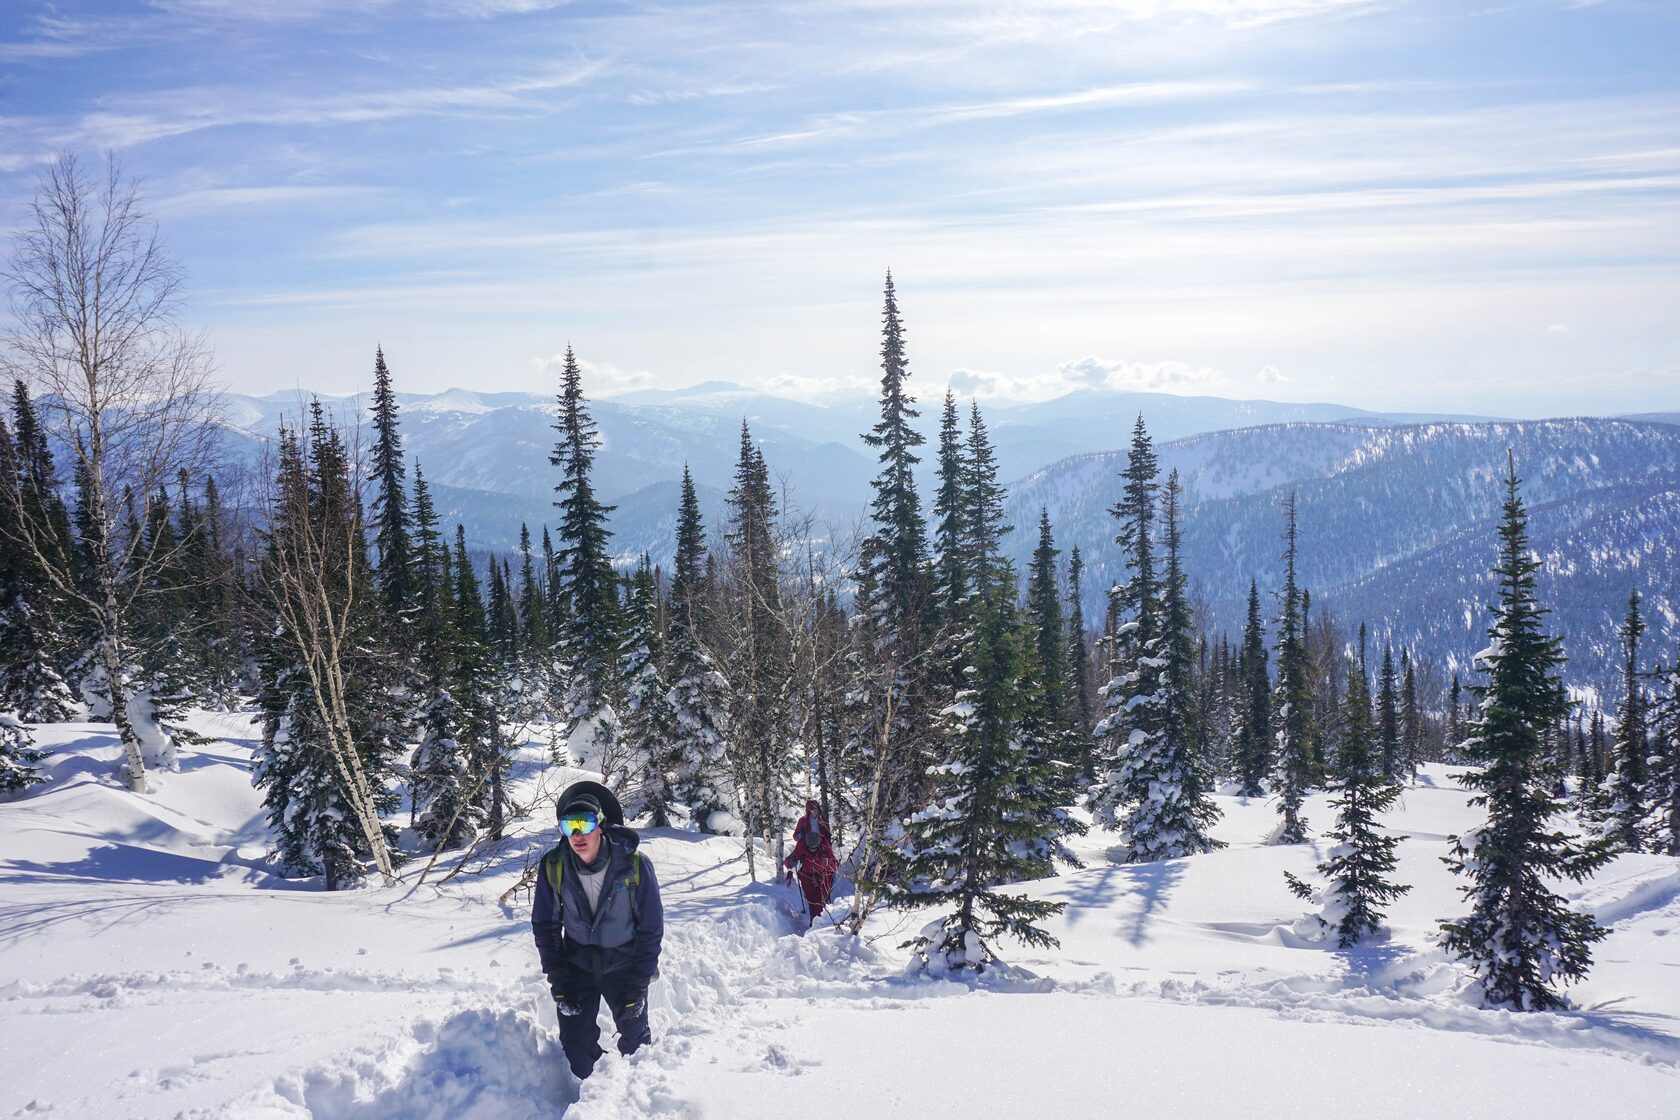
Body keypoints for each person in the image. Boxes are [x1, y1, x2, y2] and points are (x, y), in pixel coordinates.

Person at [532, 779, 664, 1081]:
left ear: (601, 826)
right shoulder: (554, 866)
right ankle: (599, 1095)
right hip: (577, 965)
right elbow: (546, 925)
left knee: (636, 1043)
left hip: (624, 963)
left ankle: (633, 1099)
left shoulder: (634, 865)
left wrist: (639, 983)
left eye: (585, 823)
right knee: (576, 1051)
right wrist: (559, 979)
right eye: (569, 826)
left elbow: (651, 928)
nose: (577, 834)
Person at [783, 797, 837, 924]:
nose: (815, 812)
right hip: (806, 846)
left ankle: (820, 922)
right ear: (808, 810)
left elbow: (828, 836)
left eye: (816, 809)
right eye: (812, 810)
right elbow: (795, 838)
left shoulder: (822, 821)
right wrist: (800, 838)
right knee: (814, 901)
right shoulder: (803, 821)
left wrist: (827, 857)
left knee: (820, 900)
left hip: (821, 854)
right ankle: (817, 923)